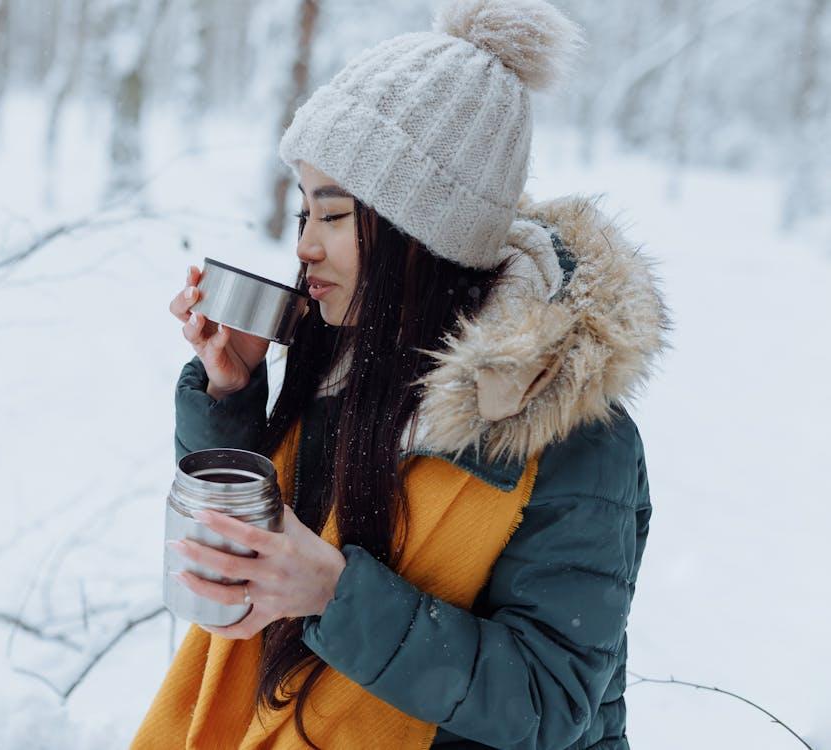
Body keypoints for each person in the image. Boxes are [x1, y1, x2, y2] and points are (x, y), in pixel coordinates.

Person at [135, 0, 672, 748]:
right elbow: (267, 553)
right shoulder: (346, 363)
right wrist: (231, 397)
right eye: (301, 215)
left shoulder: (571, 435)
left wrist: (333, 594)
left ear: (419, 228)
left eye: (331, 216)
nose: (304, 250)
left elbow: (548, 703)